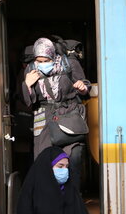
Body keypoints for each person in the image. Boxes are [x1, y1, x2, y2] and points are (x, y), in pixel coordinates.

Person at [22, 37, 90, 177]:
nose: (42, 64)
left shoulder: (69, 64)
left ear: (53, 56)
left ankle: (70, 195)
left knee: (72, 159)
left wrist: (82, 88)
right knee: (43, 163)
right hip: (43, 119)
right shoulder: (31, 70)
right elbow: (28, 102)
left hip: (68, 115)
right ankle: (47, 196)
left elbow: (84, 86)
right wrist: (27, 85)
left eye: (46, 61)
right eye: (39, 61)